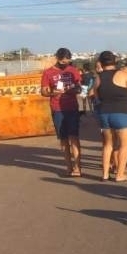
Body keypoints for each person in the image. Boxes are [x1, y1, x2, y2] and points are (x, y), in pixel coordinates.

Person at [92, 50, 127, 182]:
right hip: (122, 112)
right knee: (124, 145)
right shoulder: (122, 75)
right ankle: (120, 174)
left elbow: (96, 96)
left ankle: (105, 174)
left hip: (105, 114)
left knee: (108, 145)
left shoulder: (98, 78)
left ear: (100, 63)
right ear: (115, 61)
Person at [40, 48, 82, 177]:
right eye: (63, 62)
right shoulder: (48, 73)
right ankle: (69, 166)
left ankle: (77, 167)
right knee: (63, 139)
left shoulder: (73, 71)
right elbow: (43, 91)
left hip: (72, 108)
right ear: (57, 59)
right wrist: (53, 92)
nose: (65, 65)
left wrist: (71, 89)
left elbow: (79, 88)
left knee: (74, 137)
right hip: (57, 109)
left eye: (67, 62)